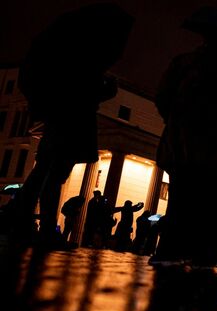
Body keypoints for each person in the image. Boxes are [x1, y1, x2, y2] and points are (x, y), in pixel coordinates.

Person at [8, 5, 132, 249]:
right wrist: (106, 90)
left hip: (61, 116)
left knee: (45, 169)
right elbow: (83, 92)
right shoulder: (83, 59)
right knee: (54, 172)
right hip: (73, 119)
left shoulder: (66, 52)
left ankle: (25, 223)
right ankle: (43, 228)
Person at [151, 32, 217, 267]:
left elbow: (161, 98)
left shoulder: (182, 64)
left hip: (183, 145)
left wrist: (176, 119)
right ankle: (204, 255)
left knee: (179, 199)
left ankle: (169, 250)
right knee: (210, 203)